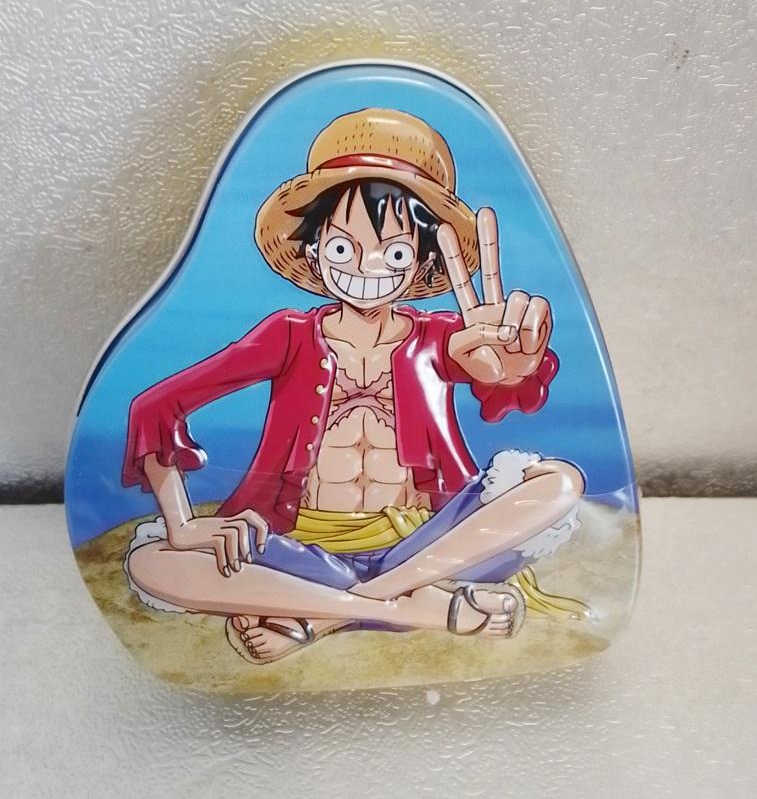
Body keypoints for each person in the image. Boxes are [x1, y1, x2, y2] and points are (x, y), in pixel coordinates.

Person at [122, 108, 586, 665]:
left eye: (395, 252)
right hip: (302, 548)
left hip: (429, 542)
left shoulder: (443, 338)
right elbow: (155, 405)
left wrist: (513, 368)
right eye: (344, 247)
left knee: (558, 482)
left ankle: (327, 614)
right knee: (151, 562)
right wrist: (182, 525)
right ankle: (419, 608)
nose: (368, 268)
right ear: (314, 248)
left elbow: (499, 382)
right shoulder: (288, 335)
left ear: (422, 262)